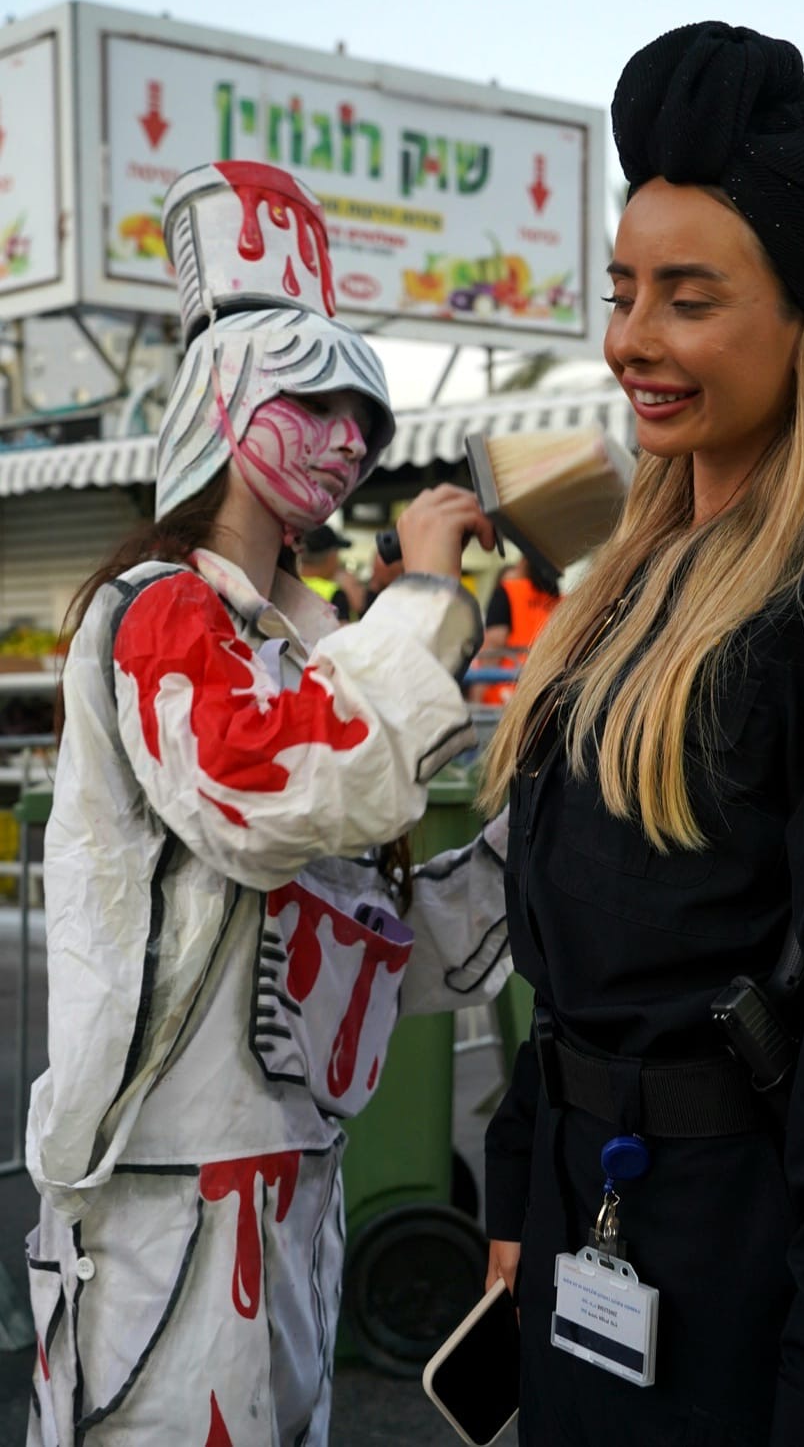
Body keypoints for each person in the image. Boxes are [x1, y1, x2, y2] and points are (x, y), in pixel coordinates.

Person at [477, 23, 804, 1447]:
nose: (630, 339)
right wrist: (520, 1188)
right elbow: (574, 971)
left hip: (741, 1273)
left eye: (686, 299)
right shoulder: (625, 586)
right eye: (623, 290)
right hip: (585, 1221)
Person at [23, 161, 510, 1446]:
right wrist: (425, 604)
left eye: (365, 414)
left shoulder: (304, 649)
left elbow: (369, 945)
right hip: (164, 1200)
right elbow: (266, 795)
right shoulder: (159, 612)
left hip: (288, 1186)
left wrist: (553, 816)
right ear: (221, 401)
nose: (348, 438)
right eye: (313, 400)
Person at [471, 556, 563, 705]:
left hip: (506, 697)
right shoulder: (564, 602)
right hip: (549, 698)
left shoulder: (509, 591)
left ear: (524, 563)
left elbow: (494, 645)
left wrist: (477, 696)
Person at [298, 522, 366, 621]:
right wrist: (356, 610)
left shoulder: (288, 582)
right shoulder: (334, 594)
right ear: (331, 556)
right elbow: (344, 630)